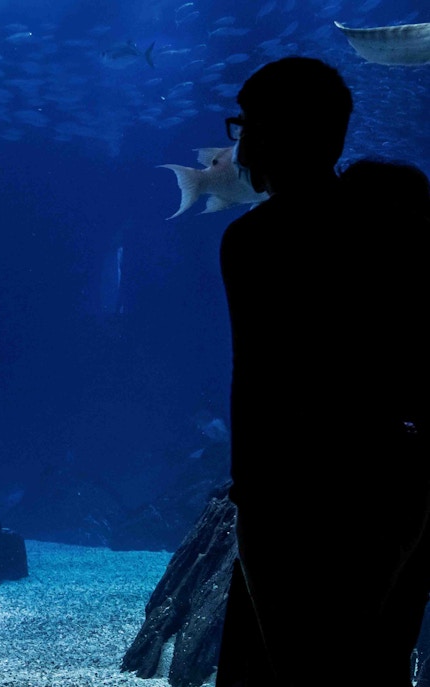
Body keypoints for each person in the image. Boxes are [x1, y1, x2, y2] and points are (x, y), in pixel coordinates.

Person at [216, 56, 430, 687]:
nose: (243, 143)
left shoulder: (255, 242)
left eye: (247, 125)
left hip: (296, 499)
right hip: (402, 483)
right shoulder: (397, 222)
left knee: (301, 664)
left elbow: (256, 382)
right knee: (379, 663)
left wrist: (248, 495)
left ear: (274, 133)